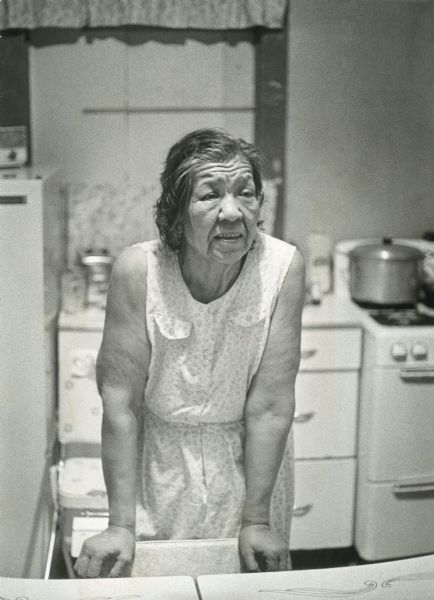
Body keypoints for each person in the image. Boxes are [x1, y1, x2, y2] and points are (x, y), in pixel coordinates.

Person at [74, 127, 305, 578]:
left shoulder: (282, 267)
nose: (233, 212)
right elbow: (121, 405)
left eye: (246, 193)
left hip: (249, 471)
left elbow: (271, 407)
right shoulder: (139, 271)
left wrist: (256, 519)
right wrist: (120, 524)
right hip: (159, 468)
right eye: (210, 196)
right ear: (176, 215)